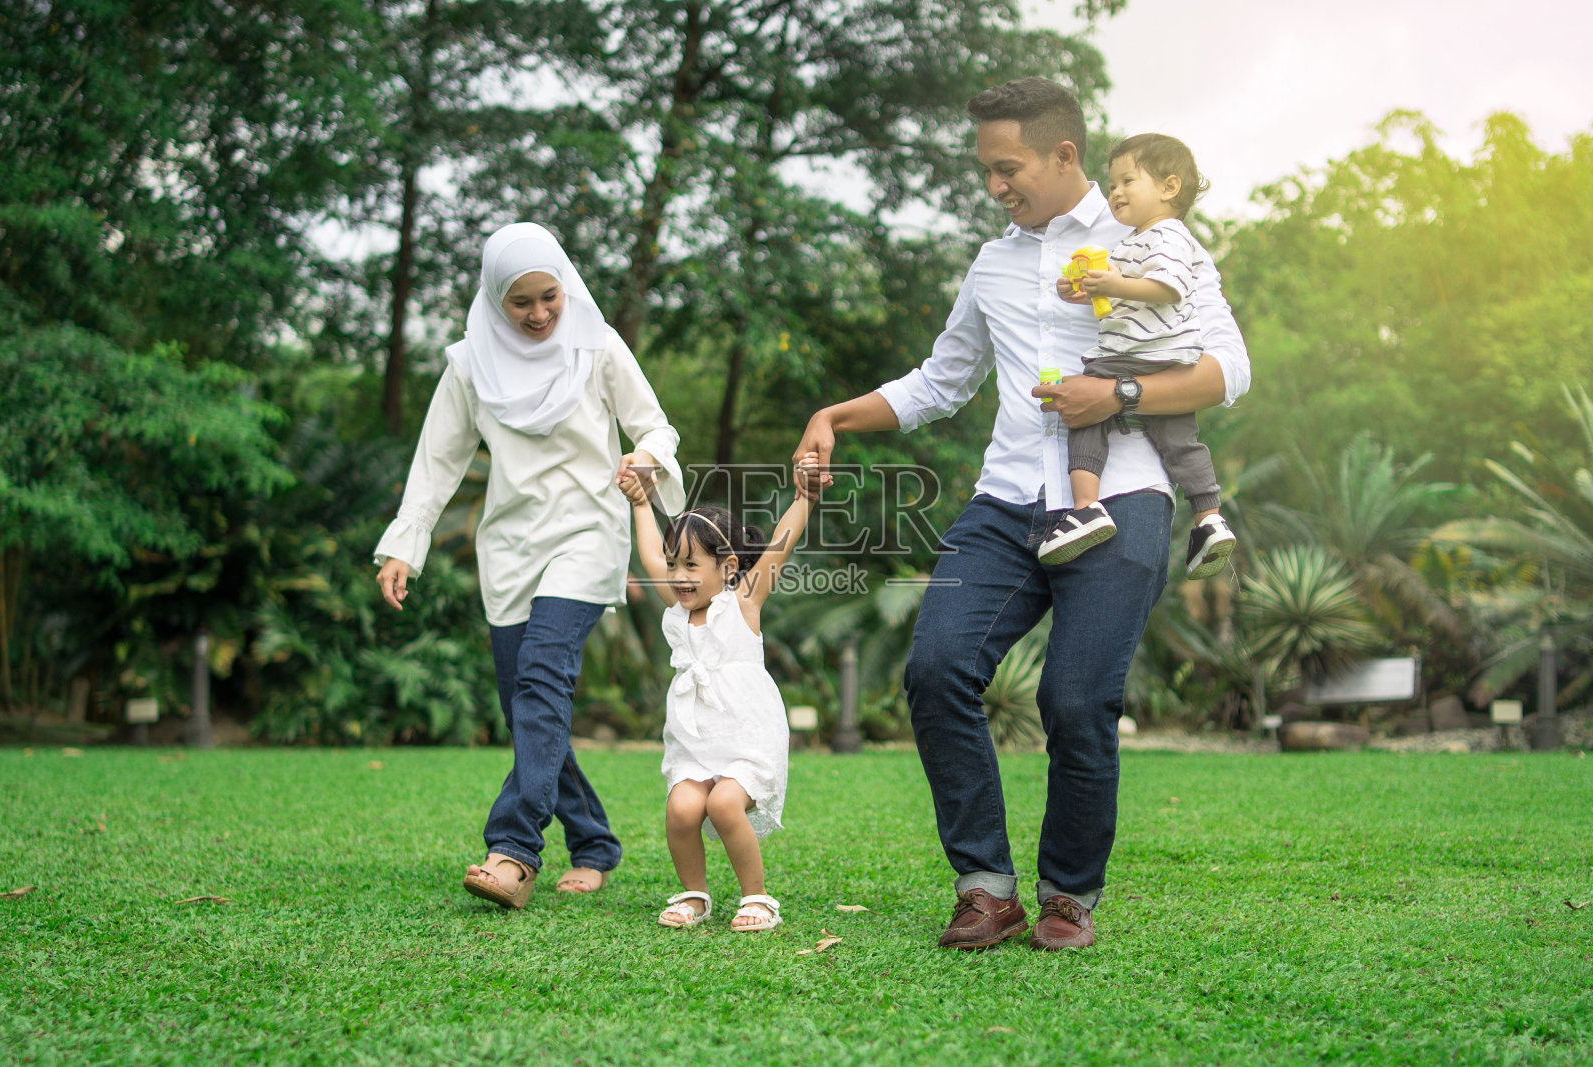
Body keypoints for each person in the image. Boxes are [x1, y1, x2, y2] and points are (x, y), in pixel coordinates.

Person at [793, 77, 1249, 951]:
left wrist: (1112, 391)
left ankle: (1069, 893)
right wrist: (835, 416)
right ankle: (986, 886)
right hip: (1006, 502)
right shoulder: (993, 262)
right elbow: (942, 380)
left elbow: (1229, 369)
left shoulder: (1150, 240)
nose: (995, 186)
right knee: (936, 669)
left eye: (1009, 169)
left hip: (1121, 494)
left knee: (1077, 701)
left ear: (1063, 155)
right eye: (988, 172)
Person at [374, 222, 685, 909]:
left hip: (587, 532)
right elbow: (438, 459)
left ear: (566, 287)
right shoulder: (468, 364)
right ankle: (595, 841)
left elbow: (655, 424)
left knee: (542, 679)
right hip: (510, 548)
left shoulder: (597, 346)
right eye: (523, 303)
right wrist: (406, 541)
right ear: (494, 300)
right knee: (530, 708)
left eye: (551, 296)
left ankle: (514, 848)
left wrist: (646, 457)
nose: (541, 313)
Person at [617, 456, 819, 932]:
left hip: (746, 735)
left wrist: (805, 498)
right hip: (695, 735)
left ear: (728, 567)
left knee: (724, 803)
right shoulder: (678, 609)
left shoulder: (743, 603)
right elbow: (649, 556)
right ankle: (695, 895)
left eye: (691, 564)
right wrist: (641, 503)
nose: (678, 574)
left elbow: (777, 549)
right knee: (683, 807)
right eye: (675, 565)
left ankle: (757, 898)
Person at [1036, 133, 1237, 579]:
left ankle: (1086, 509)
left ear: (1168, 187)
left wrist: (1114, 284)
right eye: (1112, 185)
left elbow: (1167, 288)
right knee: (1179, 440)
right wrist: (1080, 291)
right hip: (1166, 357)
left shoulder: (1166, 235)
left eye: (1128, 181)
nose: (1116, 192)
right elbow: (1120, 298)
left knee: (1084, 413)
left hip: (1134, 354)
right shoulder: (1134, 241)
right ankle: (1209, 518)